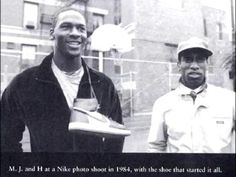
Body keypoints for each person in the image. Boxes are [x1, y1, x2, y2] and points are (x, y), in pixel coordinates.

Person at [1, 7, 125, 152]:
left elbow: (117, 137)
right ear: (52, 34)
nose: (75, 33)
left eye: (81, 29)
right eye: (66, 27)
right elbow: (6, 138)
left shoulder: (103, 84)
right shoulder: (24, 84)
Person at [148, 37, 235, 153]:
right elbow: (155, 147)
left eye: (200, 59)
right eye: (188, 60)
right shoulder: (163, 104)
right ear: (179, 64)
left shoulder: (229, 100)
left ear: (207, 64)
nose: (194, 65)